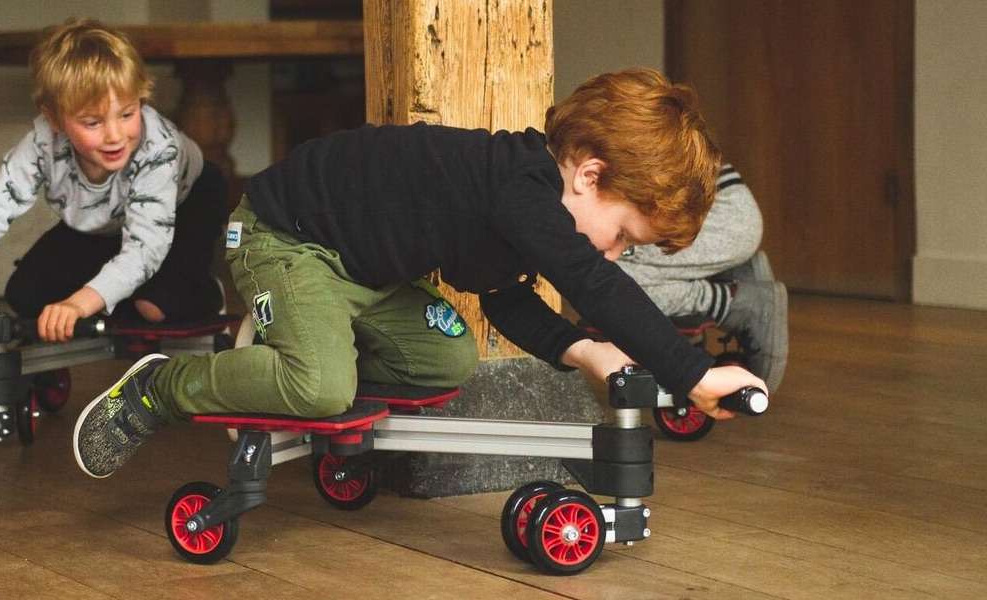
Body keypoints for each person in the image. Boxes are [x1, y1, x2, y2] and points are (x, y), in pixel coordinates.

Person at [72, 68, 766, 479]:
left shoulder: (527, 210)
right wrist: (691, 372)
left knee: (447, 358)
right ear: (589, 174)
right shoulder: (521, 189)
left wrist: (583, 349)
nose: (613, 252)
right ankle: (166, 386)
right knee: (319, 386)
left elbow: (504, 300)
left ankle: (311, 368)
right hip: (283, 235)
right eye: (621, 234)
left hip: (366, 272)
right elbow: (593, 282)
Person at [0, 19, 228, 350]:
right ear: (54, 119)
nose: (114, 136)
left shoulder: (158, 149)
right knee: (25, 295)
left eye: (127, 114)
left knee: (154, 306)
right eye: (93, 122)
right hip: (106, 220)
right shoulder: (42, 144)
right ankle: (120, 293)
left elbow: (144, 249)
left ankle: (203, 289)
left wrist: (79, 304)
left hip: (188, 202)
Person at [617, 164, 788, 391]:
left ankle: (737, 302)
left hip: (716, 215)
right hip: (721, 205)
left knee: (610, 281)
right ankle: (732, 271)